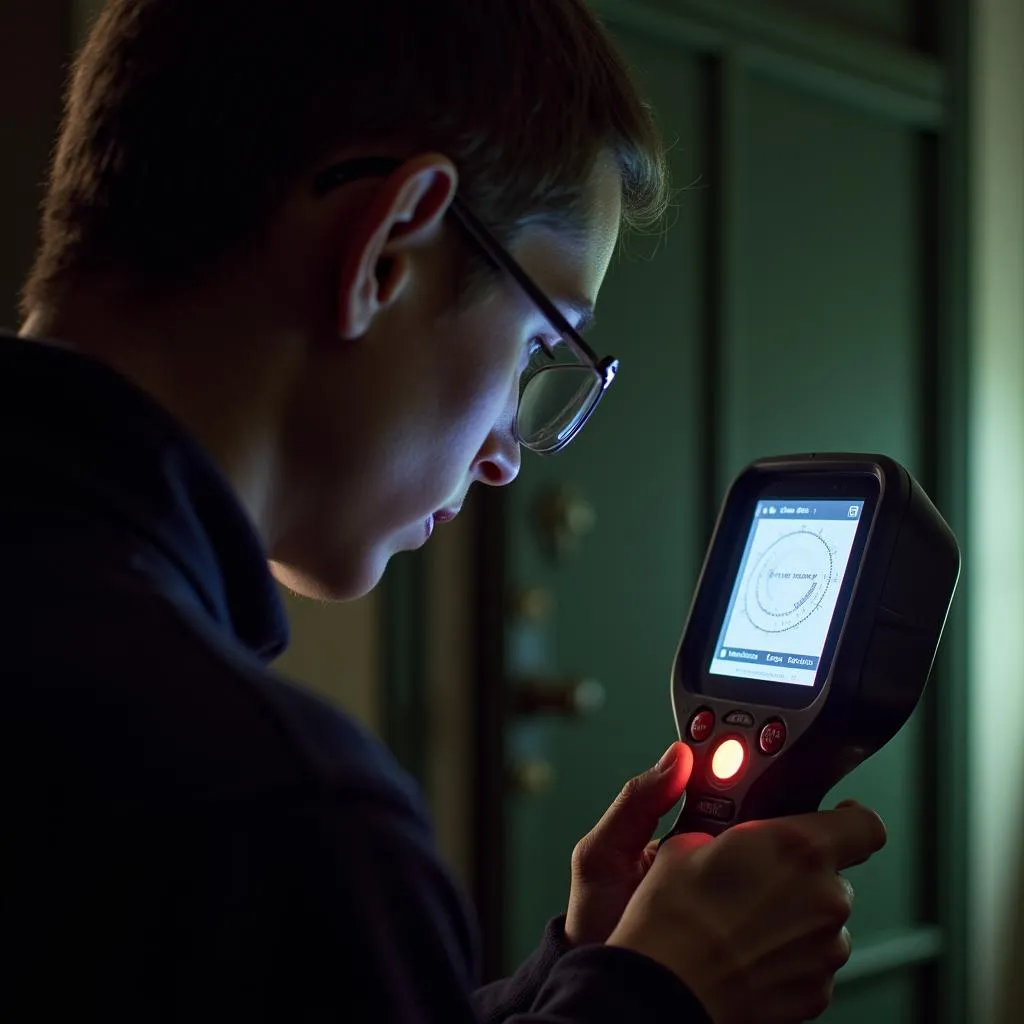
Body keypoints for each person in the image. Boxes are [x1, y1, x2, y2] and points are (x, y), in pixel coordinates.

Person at [2, 0, 886, 1020]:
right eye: (535, 348)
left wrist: (586, 982)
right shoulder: (274, 819)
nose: (507, 455)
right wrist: (665, 1000)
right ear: (386, 248)